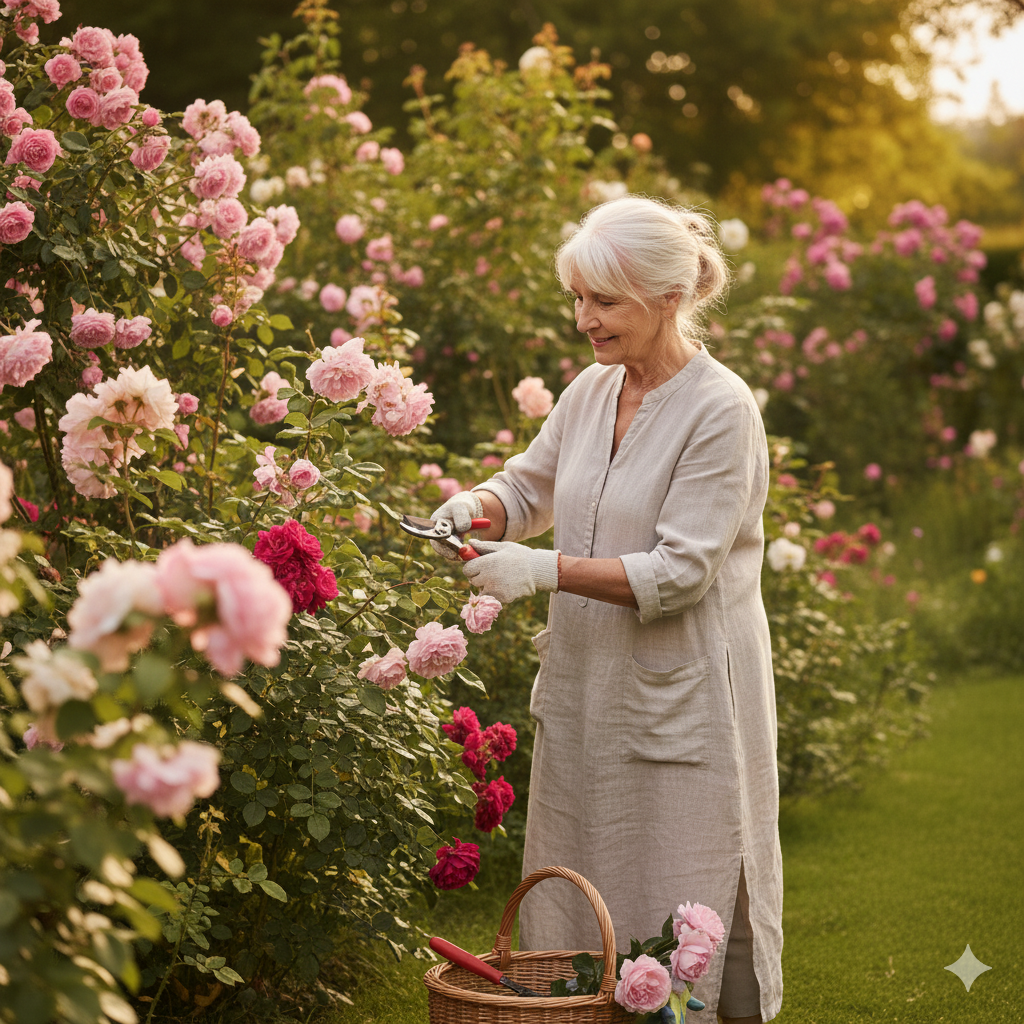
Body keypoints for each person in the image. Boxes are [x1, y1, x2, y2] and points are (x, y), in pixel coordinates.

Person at [430, 195, 782, 1024]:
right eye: (578, 299)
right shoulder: (592, 390)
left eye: (605, 301)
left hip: (684, 697)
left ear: (669, 297)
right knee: (581, 873)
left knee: (678, 878)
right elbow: (528, 487)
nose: (584, 319)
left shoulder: (720, 410)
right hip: (588, 686)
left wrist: (541, 569)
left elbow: (682, 570)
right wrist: (473, 506)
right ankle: (575, 1010)